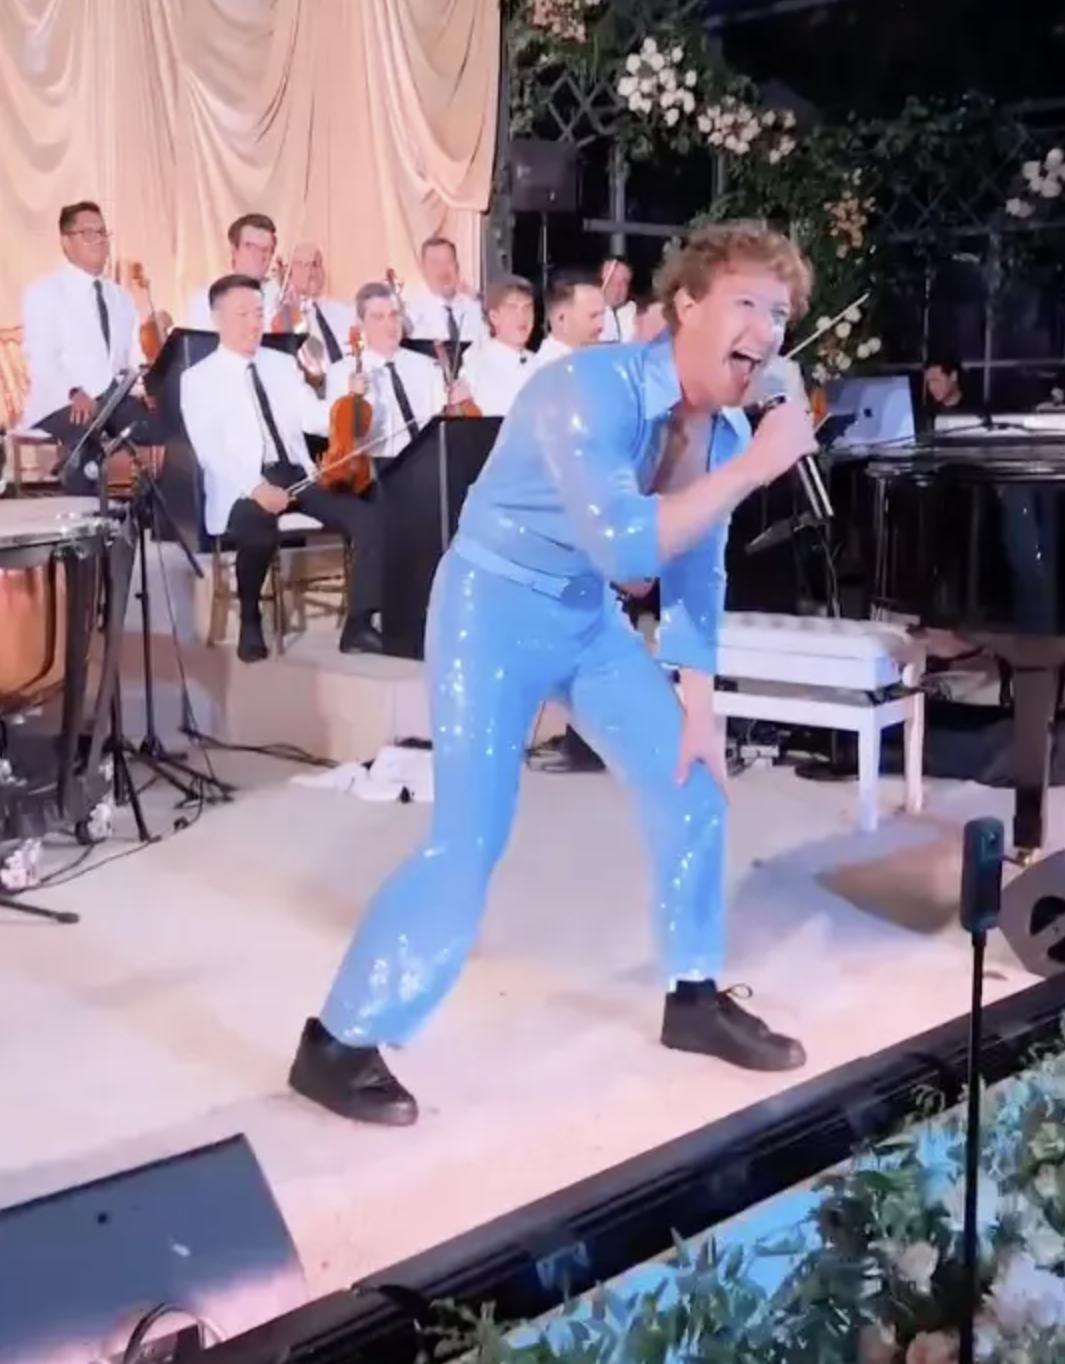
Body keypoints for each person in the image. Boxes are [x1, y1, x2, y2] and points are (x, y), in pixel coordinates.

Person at [288, 221, 819, 1126]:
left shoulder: (727, 430)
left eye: (778, 314)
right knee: (471, 839)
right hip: (491, 604)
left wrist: (698, 705)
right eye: (747, 304)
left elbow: (696, 569)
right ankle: (336, 1043)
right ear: (687, 304)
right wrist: (761, 466)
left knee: (693, 787)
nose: (766, 332)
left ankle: (693, 997)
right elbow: (630, 550)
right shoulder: (587, 389)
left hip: (582, 613)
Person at [180, 275, 385, 663]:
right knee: (256, 527)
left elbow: (313, 418)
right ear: (217, 318)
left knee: (367, 519)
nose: (253, 323)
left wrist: (349, 400)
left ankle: (358, 625)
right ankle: (251, 618)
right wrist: (256, 487)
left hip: (296, 475)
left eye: (259, 313)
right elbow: (211, 451)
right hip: (243, 485)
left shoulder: (281, 364)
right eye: (243, 314)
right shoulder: (198, 379)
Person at [21, 200, 169, 492]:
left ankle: (150, 516)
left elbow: (132, 362)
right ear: (66, 242)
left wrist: (149, 391)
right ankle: (86, 517)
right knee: (84, 439)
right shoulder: (43, 293)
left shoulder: (120, 298)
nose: (100, 241)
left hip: (113, 402)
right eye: (88, 234)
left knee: (166, 433)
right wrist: (73, 392)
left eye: (103, 233)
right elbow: (43, 360)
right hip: (63, 402)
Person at [324, 281, 446, 460]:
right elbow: (342, 441)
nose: (390, 325)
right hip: (374, 471)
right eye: (378, 317)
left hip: (426, 466)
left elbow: (442, 430)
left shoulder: (429, 367)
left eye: (394, 315)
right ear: (360, 323)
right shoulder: (341, 373)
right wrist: (353, 399)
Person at [458, 275, 538, 416]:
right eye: (513, 308)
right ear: (494, 317)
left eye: (527, 308)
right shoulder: (474, 363)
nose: (522, 316)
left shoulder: (540, 364)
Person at [186, 214, 281, 331]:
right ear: (234, 250)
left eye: (266, 249)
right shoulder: (204, 300)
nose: (259, 255)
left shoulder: (282, 299)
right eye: (250, 247)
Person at [404, 236, 485, 349]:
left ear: (457, 266)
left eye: (449, 262)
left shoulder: (474, 308)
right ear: (423, 269)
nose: (443, 270)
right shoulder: (410, 312)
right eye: (436, 264)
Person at [531, 269, 606, 370]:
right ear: (562, 319)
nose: (601, 325)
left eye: (602, 314)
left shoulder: (597, 361)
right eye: (593, 316)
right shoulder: (545, 371)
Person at [598, 255, 636, 342]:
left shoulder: (639, 317)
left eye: (623, 282)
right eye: (611, 281)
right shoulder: (587, 316)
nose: (617, 288)